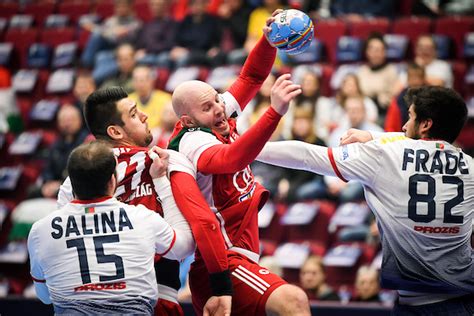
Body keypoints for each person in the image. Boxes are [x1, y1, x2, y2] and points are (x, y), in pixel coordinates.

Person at [256, 86, 474, 314]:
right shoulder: (470, 166)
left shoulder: (385, 156)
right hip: (464, 298)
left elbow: (307, 156)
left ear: (425, 124)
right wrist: (375, 136)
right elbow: (421, 143)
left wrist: (243, 148)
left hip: (416, 303)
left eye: (409, 117)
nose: (403, 126)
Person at [168, 12, 311, 314]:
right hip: (222, 261)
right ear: (188, 120)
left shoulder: (216, 113)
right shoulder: (192, 141)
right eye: (208, 108)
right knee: (294, 301)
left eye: (218, 100)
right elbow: (232, 158)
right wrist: (274, 113)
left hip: (238, 256)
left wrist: (269, 39)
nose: (221, 109)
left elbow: (251, 77)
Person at [57, 87, 232, 316]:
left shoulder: (73, 181)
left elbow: (63, 246)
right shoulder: (167, 161)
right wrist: (222, 286)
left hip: (84, 302)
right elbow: (193, 236)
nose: (144, 116)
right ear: (116, 132)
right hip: (155, 297)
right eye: (133, 114)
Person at [28, 141, 195, 314]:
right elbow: (185, 247)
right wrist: (161, 181)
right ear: (113, 180)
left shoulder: (40, 231)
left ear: (72, 183)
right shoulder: (143, 218)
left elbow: (45, 296)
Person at [28, 105, 88, 199]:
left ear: (80, 120)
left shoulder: (87, 141)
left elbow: (83, 171)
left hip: (75, 184)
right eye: (63, 120)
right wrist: (48, 183)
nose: (67, 124)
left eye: (71, 120)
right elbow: (48, 168)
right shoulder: (56, 144)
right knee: (32, 191)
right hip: (55, 185)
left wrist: (61, 183)